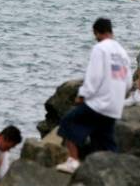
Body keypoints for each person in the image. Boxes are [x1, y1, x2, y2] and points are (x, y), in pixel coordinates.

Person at [56, 17, 132, 174]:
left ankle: (73, 161)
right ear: (111, 31)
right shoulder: (122, 52)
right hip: (115, 106)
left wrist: (82, 95)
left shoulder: (100, 49)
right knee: (104, 139)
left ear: (96, 32)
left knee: (68, 122)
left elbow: (94, 77)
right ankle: (117, 170)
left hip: (99, 104)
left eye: (95, 34)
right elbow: (128, 83)